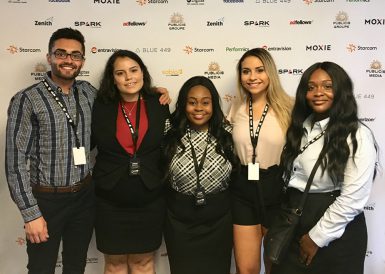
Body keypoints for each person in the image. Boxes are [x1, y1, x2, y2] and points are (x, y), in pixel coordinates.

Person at [271, 61, 378, 274]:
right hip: (295, 218)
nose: (318, 93)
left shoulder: (357, 134)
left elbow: (353, 198)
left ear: (341, 91)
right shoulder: (301, 127)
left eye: (327, 86)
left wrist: (316, 238)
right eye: (311, 87)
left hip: (335, 232)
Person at [5, 27, 95, 274]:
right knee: (41, 268)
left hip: (85, 197)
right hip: (47, 201)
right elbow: (15, 163)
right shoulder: (27, 99)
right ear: (49, 57)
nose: (69, 60)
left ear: (82, 61)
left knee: (76, 266)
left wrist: (154, 93)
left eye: (75, 55)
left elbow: (123, 101)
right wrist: (30, 214)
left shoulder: (89, 93)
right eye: (61, 53)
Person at [91, 49, 170, 274]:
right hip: (109, 200)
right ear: (112, 79)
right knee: (114, 265)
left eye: (134, 70)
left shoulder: (159, 103)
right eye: (120, 73)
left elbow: (168, 144)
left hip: (150, 198)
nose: (129, 77)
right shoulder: (100, 106)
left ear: (143, 73)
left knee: (143, 264)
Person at [162, 76, 239, 274]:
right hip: (179, 222)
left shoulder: (227, 134)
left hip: (219, 221)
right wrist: (155, 93)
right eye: (192, 102)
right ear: (183, 104)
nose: (198, 108)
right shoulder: (169, 131)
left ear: (213, 104)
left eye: (205, 102)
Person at [226, 47, 293, 274]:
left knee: (278, 266)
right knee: (246, 270)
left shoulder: (289, 107)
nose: (252, 77)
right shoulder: (235, 107)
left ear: (270, 72)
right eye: (246, 71)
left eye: (259, 70)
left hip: (277, 188)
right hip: (242, 188)